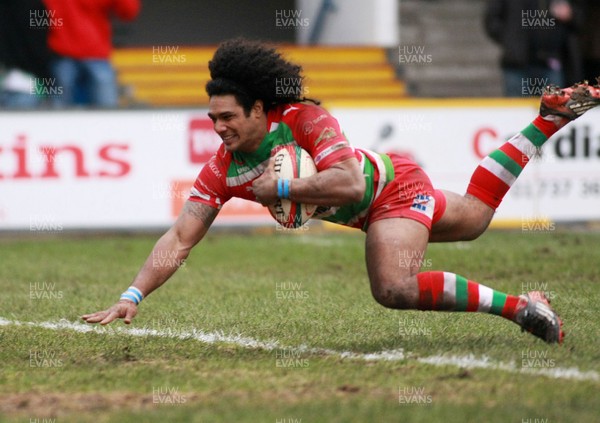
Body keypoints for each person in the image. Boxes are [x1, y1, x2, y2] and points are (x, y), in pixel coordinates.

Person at [83, 38, 600, 344]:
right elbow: (181, 234)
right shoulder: (223, 168)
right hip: (376, 207)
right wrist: (133, 295)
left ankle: (518, 309)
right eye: (211, 118)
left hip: (390, 190)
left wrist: (281, 186)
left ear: (260, 109)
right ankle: (549, 120)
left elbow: (350, 181)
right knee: (478, 216)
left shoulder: (305, 118)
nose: (217, 127)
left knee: (393, 286)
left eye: (227, 116)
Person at [42, 0, 140, 107]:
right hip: (63, 53)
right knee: (56, 112)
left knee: (107, 110)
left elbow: (128, 11)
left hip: (91, 53)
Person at [485, 0, 584, 97]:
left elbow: (580, 15)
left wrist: (571, 14)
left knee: (553, 110)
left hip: (551, 62)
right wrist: (510, 41)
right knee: (518, 109)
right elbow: (492, 20)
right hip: (517, 64)